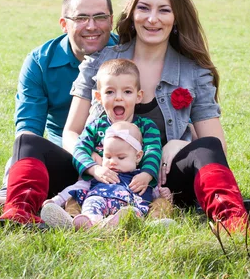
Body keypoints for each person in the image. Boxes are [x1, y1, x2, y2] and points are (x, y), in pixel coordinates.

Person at [62, 0, 250, 235]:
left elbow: (215, 145)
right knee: (29, 144)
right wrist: (94, 162)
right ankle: (21, 211)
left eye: (164, 10)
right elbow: (71, 131)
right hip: (103, 175)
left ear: (176, 18)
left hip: (164, 183)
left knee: (206, 146)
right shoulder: (99, 62)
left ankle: (234, 222)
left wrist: (177, 146)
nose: (152, 19)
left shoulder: (193, 72)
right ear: (132, 13)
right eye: (144, 8)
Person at [0, 0, 116, 208]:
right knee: (24, 148)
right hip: (65, 155)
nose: (91, 26)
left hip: (115, 160)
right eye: (81, 18)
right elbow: (28, 129)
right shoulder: (40, 62)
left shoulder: (126, 54)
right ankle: (6, 197)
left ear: (111, 20)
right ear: (64, 24)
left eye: (99, 17)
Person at [40, 59, 169, 229]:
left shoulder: (146, 127)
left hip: (133, 186)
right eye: (110, 92)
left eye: (127, 92)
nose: (118, 98)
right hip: (97, 188)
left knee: (162, 202)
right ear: (99, 97)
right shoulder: (95, 127)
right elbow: (79, 150)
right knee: (75, 197)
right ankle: (74, 221)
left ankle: (150, 224)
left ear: (139, 96)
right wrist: (94, 169)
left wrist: (146, 174)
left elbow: (153, 150)